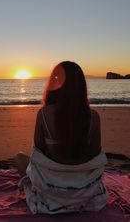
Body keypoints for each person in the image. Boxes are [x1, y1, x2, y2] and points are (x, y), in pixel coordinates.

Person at [14, 61, 108, 214]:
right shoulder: (93, 117)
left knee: (19, 158)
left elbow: (38, 153)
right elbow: (94, 155)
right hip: (82, 188)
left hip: (51, 187)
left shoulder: (44, 114)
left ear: (54, 83)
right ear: (81, 85)